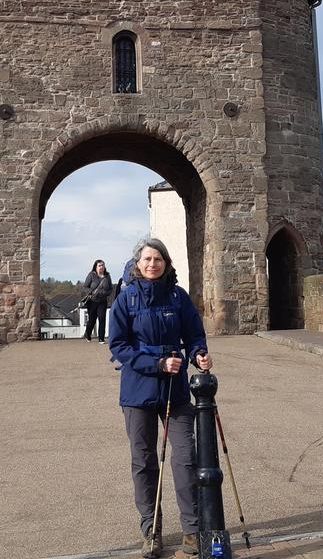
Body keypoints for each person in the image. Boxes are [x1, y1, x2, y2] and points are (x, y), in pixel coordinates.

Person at [109, 237, 212, 558]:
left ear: (166, 263)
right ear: (137, 264)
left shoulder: (178, 297)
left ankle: (193, 529)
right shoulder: (125, 301)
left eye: (158, 259)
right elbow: (119, 346)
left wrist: (199, 354)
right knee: (144, 462)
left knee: (185, 458)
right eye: (147, 259)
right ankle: (151, 530)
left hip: (175, 390)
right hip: (138, 390)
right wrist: (156, 363)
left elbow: (194, 334)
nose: (152, 264)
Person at [82, 259, 113, 343]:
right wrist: (91, 292)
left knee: (102, 318)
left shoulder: (107, 276)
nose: (101, 267)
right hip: (92, 301)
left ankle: (101, 338)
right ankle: (88, 334)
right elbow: (85, 287)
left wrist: (105, 293)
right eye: (99, 265)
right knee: (92, 320)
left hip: (102, 301)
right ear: (96, 267)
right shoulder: (91, 275)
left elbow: (110, 289)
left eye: (103, 265)